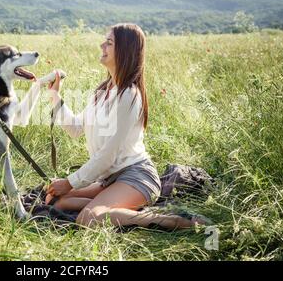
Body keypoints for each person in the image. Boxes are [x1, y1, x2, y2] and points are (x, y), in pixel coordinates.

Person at [45, 23, 199, 229]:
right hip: (109, 179)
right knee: (53, 197)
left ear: (125, 51)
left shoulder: (129, 96)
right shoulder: (102, 92)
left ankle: (175, 220)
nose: (102, 45)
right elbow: (74, 129)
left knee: (88, 218)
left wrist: (70, 182)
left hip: (137, 176)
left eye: (109, 42)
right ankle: (110, 207)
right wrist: (55, 95)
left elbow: (108, 154)